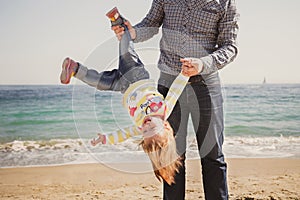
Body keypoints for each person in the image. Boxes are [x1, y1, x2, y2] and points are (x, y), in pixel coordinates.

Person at [112, 1, 239, 199]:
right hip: (168, 85)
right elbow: (151, 23)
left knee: (212, 155)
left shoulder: (225, 3)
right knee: (171, 154)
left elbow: (230, 47)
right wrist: (133, 33)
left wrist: (202, 64)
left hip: (206, 85)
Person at [60, 10, 194, 185]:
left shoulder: (139, 127)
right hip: (136, 76)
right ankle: (119, 22)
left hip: (122, 86)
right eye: (151, 127)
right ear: (166, 126)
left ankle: (74, 68)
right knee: (126, 51)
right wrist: (185, 75)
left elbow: (122, 134)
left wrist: (105, 139)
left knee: (99, 82)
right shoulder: (163, 109)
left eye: (145, 132)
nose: (145, 126)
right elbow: (175, 91)